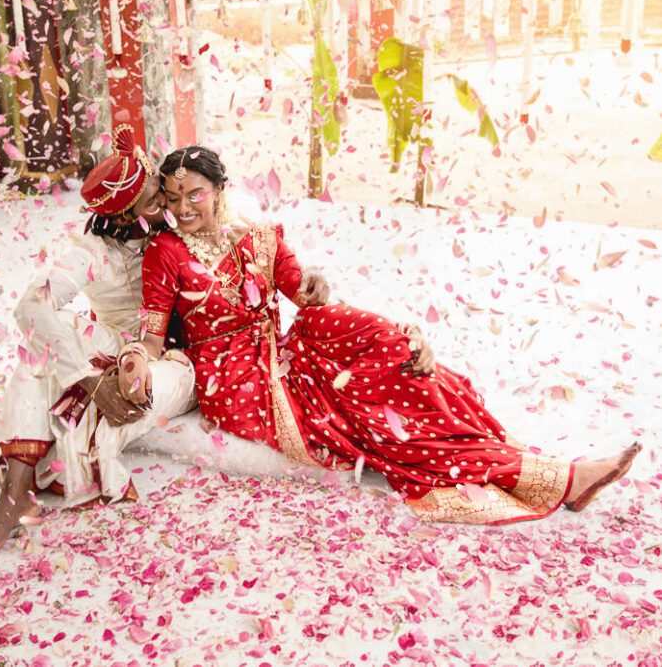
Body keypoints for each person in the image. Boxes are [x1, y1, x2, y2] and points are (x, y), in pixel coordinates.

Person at [118, 146, 641, 525]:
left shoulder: (259, 237)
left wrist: (341, 304)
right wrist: (137, 359)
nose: (183, 209)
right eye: (172, 198)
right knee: (367, 412)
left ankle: (418, 362)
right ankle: (556, 478)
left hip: (280, 348)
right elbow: (152, 331)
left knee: (371, 342)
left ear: (220, 190)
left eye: (195, 194)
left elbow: (305, 294)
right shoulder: (164, 252)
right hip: (237, 380)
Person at [0, 125, 198, 557]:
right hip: (117, 343)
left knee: (107, 377)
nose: (167, 201)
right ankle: (13, 494)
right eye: (154, 199)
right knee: (36, 359)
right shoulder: (94, 250)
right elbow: (30, 308)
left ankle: (36, 470)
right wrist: (84, 379)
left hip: (174, 358)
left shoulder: (181, 222)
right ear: (127, 216)